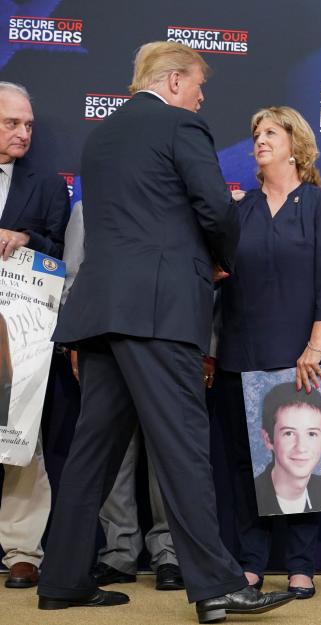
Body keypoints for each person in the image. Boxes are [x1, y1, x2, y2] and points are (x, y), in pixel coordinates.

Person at [36, 42, 294, 622]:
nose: (203, 97)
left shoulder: (100, 136)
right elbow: (216, 210)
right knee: (182, 445)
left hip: (100, 314)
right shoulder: (181, 125)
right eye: (199, 85)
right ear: (174, 82)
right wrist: (220, 259)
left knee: (90, 452)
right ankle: (218, 586)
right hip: (158, 312)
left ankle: (62, 578)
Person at [212, 105, 321, 600]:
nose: (259, 140)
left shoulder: (320, 204)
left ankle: (299, 564)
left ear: (296, 144)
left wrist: (315, 346)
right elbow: (218, 273)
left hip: (302, 356)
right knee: (245, 464)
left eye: (270, 132)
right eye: (256, 134)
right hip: (240, 353)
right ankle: (250, 562)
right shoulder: (240, 208)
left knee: (300, 460)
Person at [60, 202, 183, 592]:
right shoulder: (85, 207)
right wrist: (76, 339)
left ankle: (168, 554)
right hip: (105, 346)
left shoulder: (176, 207)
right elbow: (74, 273)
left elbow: (193, 278)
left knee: (167, 452)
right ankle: (119, 551)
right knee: (112, 449)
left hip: (164, 342)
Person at [0, 81, 69, 590]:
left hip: (19, 334)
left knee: (22, 436)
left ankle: (21, 550)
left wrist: (25, 238)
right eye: (11, 123)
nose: (23, 133)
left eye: (28, 124)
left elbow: (59, 250)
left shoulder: (45, 184)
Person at [253, 382, 321, 516]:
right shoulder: (254, 495)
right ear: (268, 439)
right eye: (289, 433)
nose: (301, 447)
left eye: (311, 434)